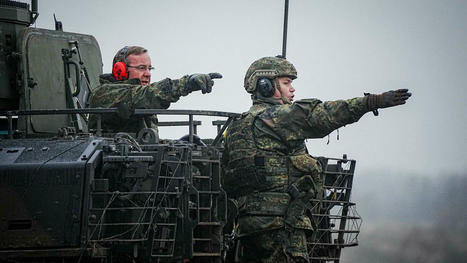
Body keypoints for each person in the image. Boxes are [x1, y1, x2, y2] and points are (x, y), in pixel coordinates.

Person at [222, 56, 411, 262]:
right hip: (282, 227)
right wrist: (370, 102)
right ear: (265, 86)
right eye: (286, 83)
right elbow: (323, 115)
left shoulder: (236, 127)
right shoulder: (277, 118)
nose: (292, 89)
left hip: (247, 229)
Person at [89, 46, 221, 133]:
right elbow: (145, 95)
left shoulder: (142, 98)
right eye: (141, 68)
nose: (148, 74)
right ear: (120, 71)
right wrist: (186, 83)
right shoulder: (106, 93)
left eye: (149, 68)